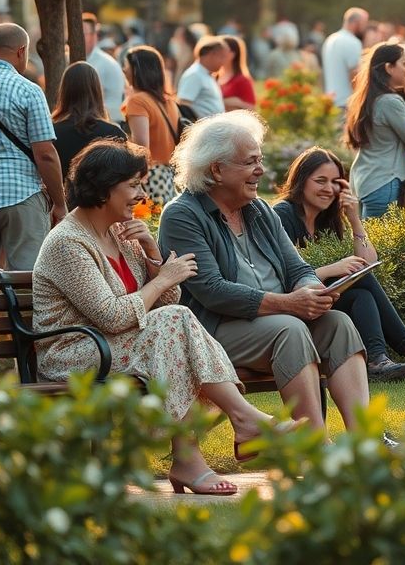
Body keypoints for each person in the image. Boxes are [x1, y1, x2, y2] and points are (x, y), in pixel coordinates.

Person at [32, 140, 280, 495]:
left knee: (175, 323)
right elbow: (113, 316)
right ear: (103, 188)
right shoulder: (68, 244)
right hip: (73, 352)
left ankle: (203, 449)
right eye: (133, 185)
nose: (141, 193)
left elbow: (166, 301)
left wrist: (151, 253)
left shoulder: (120, 233)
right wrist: (164, 277)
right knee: (174, 324)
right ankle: (236, 423)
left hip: (119, 344)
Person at [158, 112, 370, 432]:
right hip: (214, 330)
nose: (260, 170)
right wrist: (288, 304)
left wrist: (312, 293)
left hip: (274, 321)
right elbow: (212, 290)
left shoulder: (258, 209)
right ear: (217, 169)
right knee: (289, 329)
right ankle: (313, 445)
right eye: (251, 162)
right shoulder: (182, 215)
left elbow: (296, 268)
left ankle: (364, 439)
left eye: (261, 159)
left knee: (337, 323)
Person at [274, 147, 405, 385]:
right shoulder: (282, 215)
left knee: (362, 293)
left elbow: (370, 264)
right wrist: (334, 268)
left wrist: (354, 219)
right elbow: (280, 278)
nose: (328, 189)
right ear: (301, 181)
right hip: (291, 306)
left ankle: (378, 361)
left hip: (319, 302)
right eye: (320, 181)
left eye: (335, 182)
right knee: (361, 279)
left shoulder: (326, 220)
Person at [0, 23, 67, 278]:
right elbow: (45, 153)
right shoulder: (28, 91)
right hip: (21, 195)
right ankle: (23, 320)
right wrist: (59, 202)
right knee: (29, 278)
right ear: (22, 51)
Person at [346, 43, 405, 218]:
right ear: (389, 68)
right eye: (404, 63)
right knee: (379, 245)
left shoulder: (365, 99)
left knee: (368, 242)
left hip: (367, 183)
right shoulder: (390, 102)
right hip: (385, 183)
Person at [123, 45, 184, 205]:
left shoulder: (138, 101)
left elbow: (141, 145)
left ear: (137, 70)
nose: (124, 70)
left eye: (127, 66)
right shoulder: (169, 101)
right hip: (168, 176)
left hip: (149, 176)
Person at [52, 62, 127, 177]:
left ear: (64, 91)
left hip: (63, 194)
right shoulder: (114, 134)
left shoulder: (52, 133)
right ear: (97, 91)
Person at [83, 12, 126, 124]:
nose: (76, 37)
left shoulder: (104, 63)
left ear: (94, 35)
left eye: (83, 33)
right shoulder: (87, 60)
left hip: (108, 126)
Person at [322, 8, 368, 113]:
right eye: (364, 23)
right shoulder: (352, 42)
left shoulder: (330, 39)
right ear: (356, 23)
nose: (365, 28)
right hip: (346, 104)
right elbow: (354, 74)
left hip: (331, 101)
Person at [177, 36, 228, 119]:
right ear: (212, 54)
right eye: (221, 57)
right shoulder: (195, 74)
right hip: (202, 129)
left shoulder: (206, 74)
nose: (223, 62)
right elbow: (183, 105)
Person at [219, 35, 257, 111]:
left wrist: (238, 103)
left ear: (232, 54)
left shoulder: (242, 80)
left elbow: (251, 108)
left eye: (221, 50)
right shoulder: (213, 76)